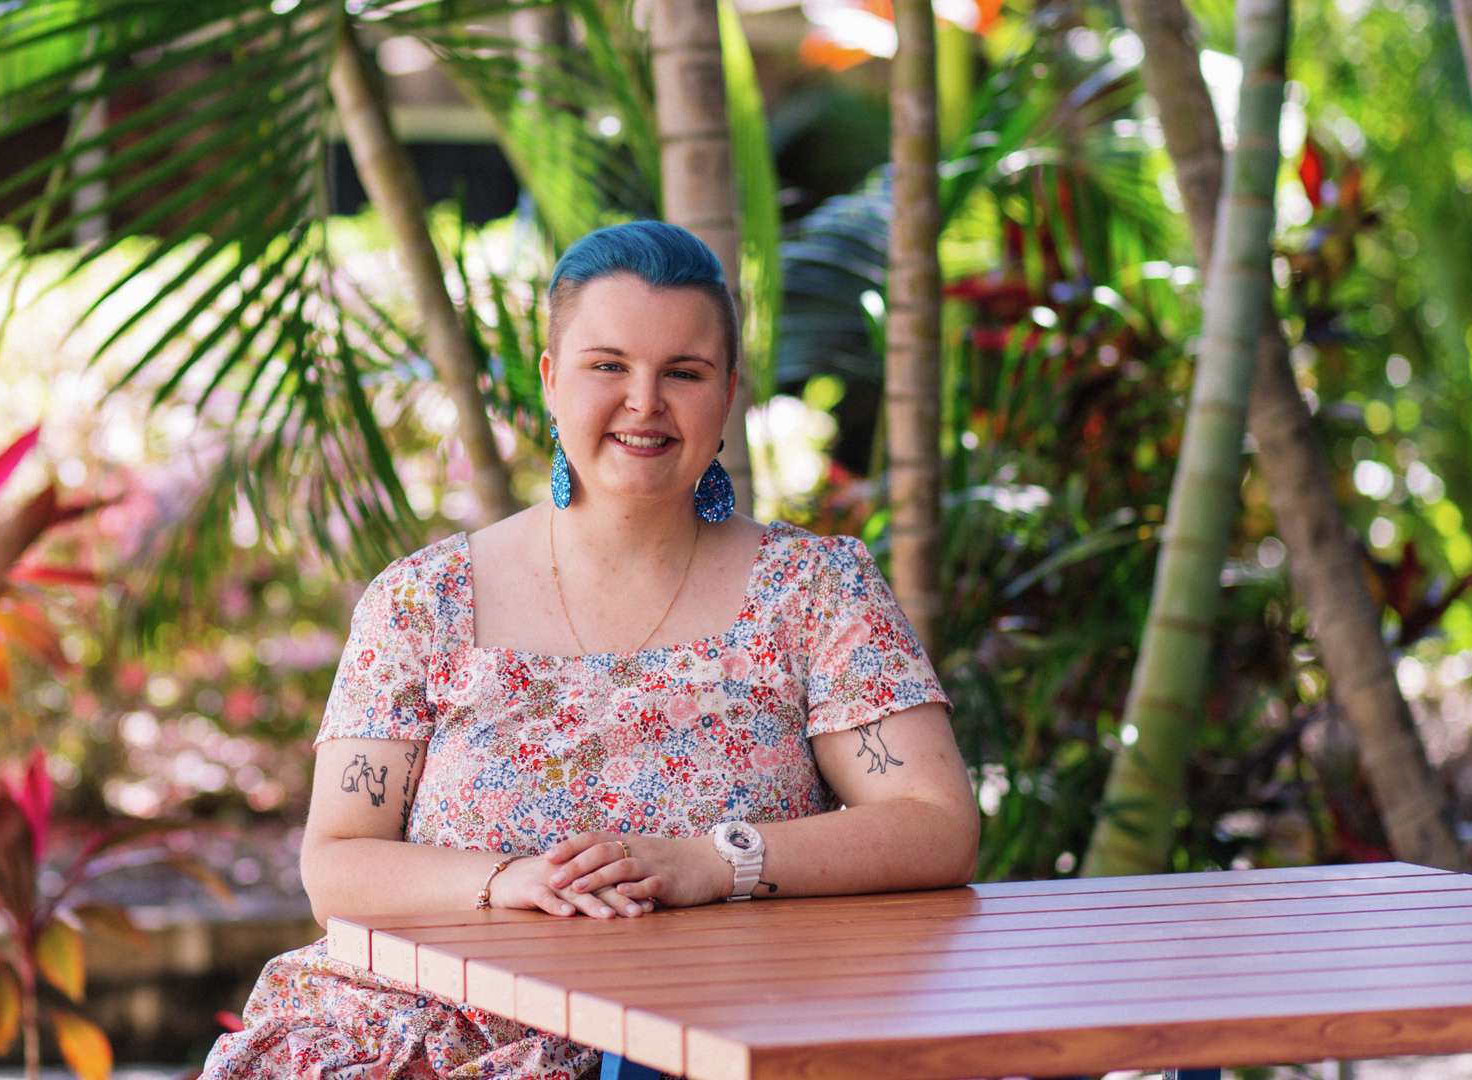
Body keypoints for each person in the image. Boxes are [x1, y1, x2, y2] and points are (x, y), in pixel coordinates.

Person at [202, 220, 978, 1079]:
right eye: (608, 366)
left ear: (727, 393)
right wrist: (508, 878)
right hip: (416, 1031)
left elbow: (933, 825)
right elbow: (338, 863)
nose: (644, 402)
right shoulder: (420, 602)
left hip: (711, 1033)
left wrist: (712, 862)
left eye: (683, 372)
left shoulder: (814, 591)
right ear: (549, 380)